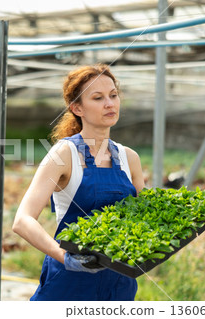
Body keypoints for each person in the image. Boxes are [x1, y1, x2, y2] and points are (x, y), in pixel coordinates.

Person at [12, 63, 145, 301]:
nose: (109, 103)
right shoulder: (64, 155)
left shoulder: (129, 158)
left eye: (113, 95)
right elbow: (22, 221)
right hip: (70, 283)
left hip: (119, 283)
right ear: (77, 108)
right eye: (98, 98)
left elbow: (143, 219)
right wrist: (65, 257)